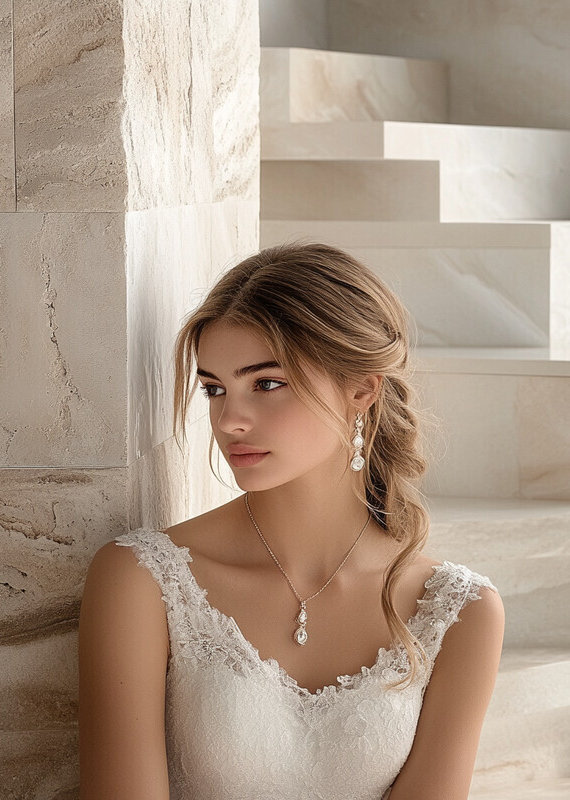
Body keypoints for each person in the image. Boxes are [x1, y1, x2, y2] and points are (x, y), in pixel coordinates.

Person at [78, 241, 505, 800]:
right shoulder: (142, 579)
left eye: (267, 384)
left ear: (361, 390)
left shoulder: (458, 612)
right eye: (214, 389)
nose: (230, 419)